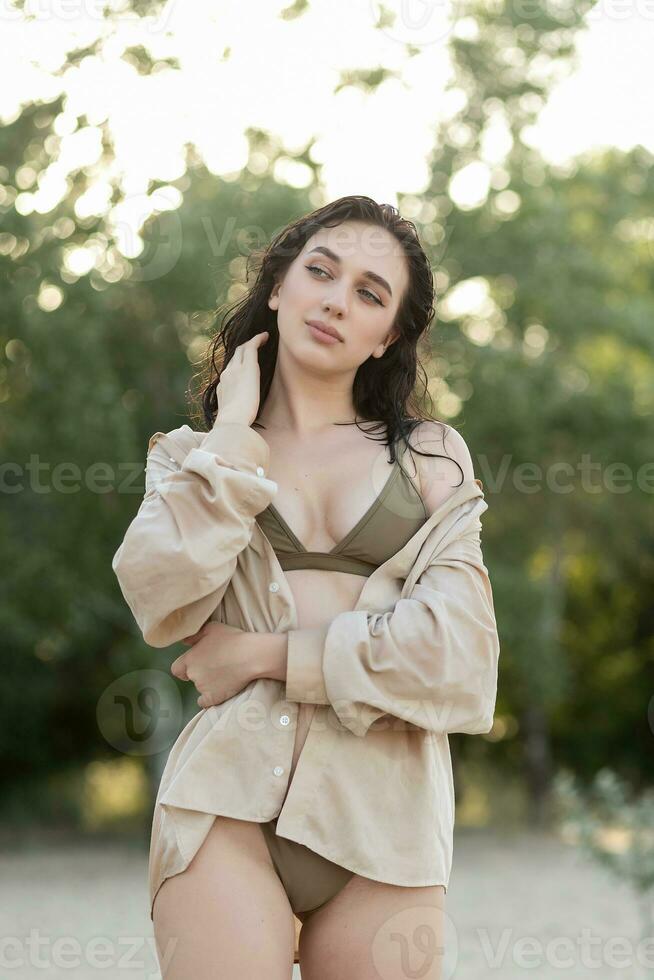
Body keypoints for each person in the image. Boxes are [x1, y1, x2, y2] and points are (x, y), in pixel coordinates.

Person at [111, 195, 500, 979]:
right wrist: (230, 439)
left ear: (388, 334)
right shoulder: (191, 455)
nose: (335, 299)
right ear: (280, 286)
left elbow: (461, 660)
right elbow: (160, 597)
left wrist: (262, 654)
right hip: (225, 803)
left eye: (368, 292)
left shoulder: (431, 460)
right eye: (320, 272)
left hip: (388, 826)